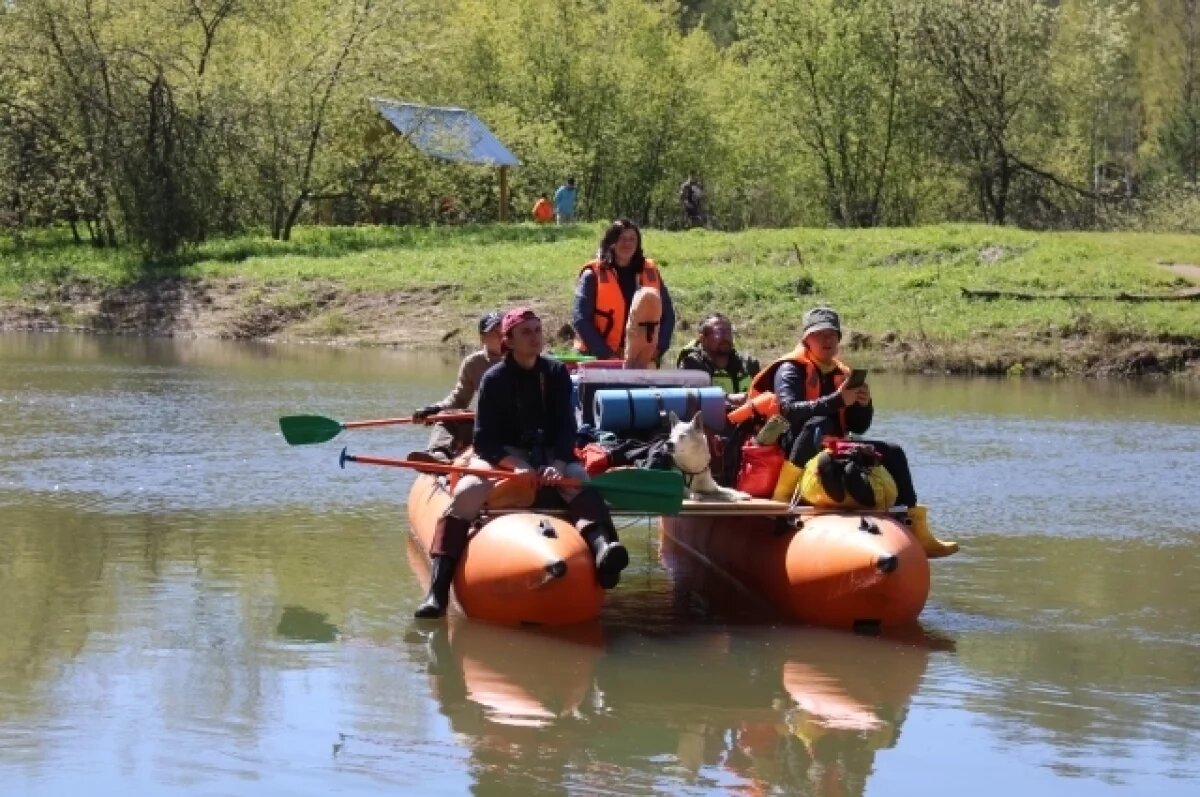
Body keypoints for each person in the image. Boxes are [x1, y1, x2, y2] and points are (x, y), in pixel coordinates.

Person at [414, 307, 630, 618]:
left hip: (549, 455)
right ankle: (437, 592)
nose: (534, 337)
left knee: (578, 479)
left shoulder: (556, 373)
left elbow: (566, 429)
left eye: (538, 330)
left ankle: (604, 552)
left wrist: (557, 464)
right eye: (526, 332)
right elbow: (484, 439)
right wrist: (513, 464)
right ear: (509, 341)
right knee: (469, 491)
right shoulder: (493, 379)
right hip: (502, 456)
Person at [744, 307, 958, 558]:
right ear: (806, 339)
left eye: (831, 334)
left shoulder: (843, 374)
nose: (826, 340)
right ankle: (782, 497)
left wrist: (862, 405)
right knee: (819, 422)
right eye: (819, 334)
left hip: (831, 445)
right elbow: (788, 410)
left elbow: (858, 427)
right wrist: (837, 400)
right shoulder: (790, 369)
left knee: (894, 451)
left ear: (838, 338)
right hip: (793, 445)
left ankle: (914, 526)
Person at [571, 218, 676, 364]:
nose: (627, 243)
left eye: (632, 239)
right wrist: (606, 355)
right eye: (622, 239)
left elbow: (668, 315)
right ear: (611, 242)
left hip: (641, 357)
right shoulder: (592, 274)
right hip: (597, 356)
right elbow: (580, 318)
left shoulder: (650, 272)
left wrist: (658, 349)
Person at [412, 311, 505, 462]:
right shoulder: (473, 363)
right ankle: (439, 454)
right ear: (482, 338)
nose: (501, 335)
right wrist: (435, 409)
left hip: (517, 429)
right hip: (484, 426)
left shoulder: (522, 358)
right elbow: (459, 399)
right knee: (448, 416)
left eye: (504, 330)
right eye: (495, 332)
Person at [676, 312, 761, 407]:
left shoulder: (749, 364)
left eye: (729, 331)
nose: (726, 337)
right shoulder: (691, 364)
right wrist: (727, 398)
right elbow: (693, 398)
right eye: (719, 332)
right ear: (702, 338)